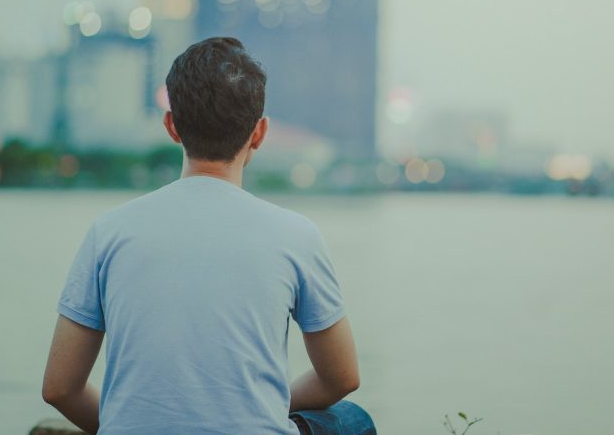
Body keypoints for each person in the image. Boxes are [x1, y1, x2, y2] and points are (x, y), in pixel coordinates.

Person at [41, 37, 376, 435]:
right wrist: (263, 403)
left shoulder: (108, 231)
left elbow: (60, 388)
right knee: (352, 420)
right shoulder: (296, 235)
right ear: (259, 133)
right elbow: (341, 377)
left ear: (172, 126)